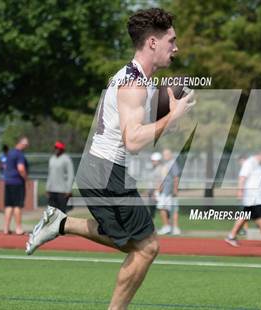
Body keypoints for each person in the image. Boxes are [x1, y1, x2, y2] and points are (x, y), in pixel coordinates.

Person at [26, 8, 195, 309]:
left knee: (135, 243)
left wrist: (168, 116)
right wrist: (173, 117)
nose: (176, 48)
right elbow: (132, 141)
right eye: (171, 40)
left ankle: (61, 223)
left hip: (102, 170)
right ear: (153, 43)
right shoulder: (134, 84)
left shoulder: (142, 80)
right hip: (105, 170)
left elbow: (136, 137)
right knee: (147, 247)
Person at [225, 150, 261, 248]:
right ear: (260, 154)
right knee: (260, 218)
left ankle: (231, 236)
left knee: (244, 216)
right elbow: (242, 178)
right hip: (252, 196)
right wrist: (240, 191)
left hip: (258, 196)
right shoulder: (249, 163)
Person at [3, 137, 29, 235]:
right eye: (26, 144)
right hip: (17, 183)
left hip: (8, 182)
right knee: (17, 205)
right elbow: (21, 168)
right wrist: (26, 179)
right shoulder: (19, 154)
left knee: (9, 205)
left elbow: (5, 166)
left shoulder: (10, 153)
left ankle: (6, 228)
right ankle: (18, 228)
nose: (27, 146)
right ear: (21, 143)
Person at [157, 148, 181, 235]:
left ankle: (173, 227)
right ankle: (168, 227)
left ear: (170, 155)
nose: (165, 156)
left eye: (166, 154)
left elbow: (176, 177)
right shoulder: (166, 164)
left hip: (169, 191)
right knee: (164, 208)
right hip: (164, 191)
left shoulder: (172, 164)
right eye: (164, 154)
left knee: (171, 209)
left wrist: (175, 189)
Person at [46, 141, 75, 213]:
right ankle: (53, 225)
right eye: (55, 147)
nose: (56, 149)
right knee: (51, 212)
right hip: (52, 190)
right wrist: (47, 188)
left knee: (61, 212)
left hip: (62, 191)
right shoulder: (52, 159)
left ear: (62, 149)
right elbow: (50, 174)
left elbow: (71, 175)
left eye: (58, 148)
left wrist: (68, 189)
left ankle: (61, 224)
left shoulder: (66, 159)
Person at [147, 152, 163, 218]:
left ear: (158, 161)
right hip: (152, 191)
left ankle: (168, 226)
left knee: (162, 209)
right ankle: (152, 226)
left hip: (156, 191)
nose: (152, 162)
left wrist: (156, 192)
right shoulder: (153, 168)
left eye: (154, 160)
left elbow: (160, 181)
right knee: (151, 210)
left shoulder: (160, 169)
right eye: (152, 160)